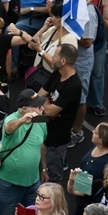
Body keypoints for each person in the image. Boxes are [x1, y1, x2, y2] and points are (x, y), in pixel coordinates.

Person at [37, 44, 82, 183]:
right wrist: (45, 102)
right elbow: (40, 94)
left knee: (52, 178)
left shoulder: (73, 85)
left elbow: (50, 111)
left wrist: (43, 103)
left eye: (55, 55)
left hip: (57, 140)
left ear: (63, 61)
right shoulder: (58, 73)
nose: (52, 58)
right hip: (44, 130)